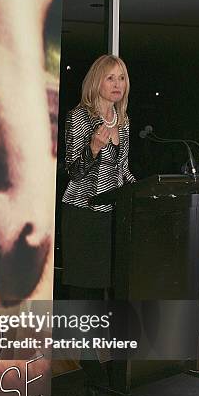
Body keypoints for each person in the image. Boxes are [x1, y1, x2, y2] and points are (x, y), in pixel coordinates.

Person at [62, 54, 136, 300]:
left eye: (122, 78)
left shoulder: (123, 122)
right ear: (97, 82)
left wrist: (145, 194)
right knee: (85, 290)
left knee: (113, 285)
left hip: (114, 216)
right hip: (84, 214)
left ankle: (105, 337)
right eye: (111, 78)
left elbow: (123, 170)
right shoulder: (79, 117)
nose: (118, 84)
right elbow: (73, 172)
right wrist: (92, 148)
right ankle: (78, 339)